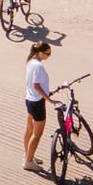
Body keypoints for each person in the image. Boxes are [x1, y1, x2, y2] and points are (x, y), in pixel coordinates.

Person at [23, 40, 57, 171]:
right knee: (37, 134)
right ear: (40, 53)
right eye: (47, 54)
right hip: (37, 103)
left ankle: (28, 155)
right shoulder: (38, 66)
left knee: (29, 130)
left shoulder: (30, 61)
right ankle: (29, 162)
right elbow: (37, 86)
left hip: (29, 100)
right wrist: (49, 99)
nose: (49, 56)